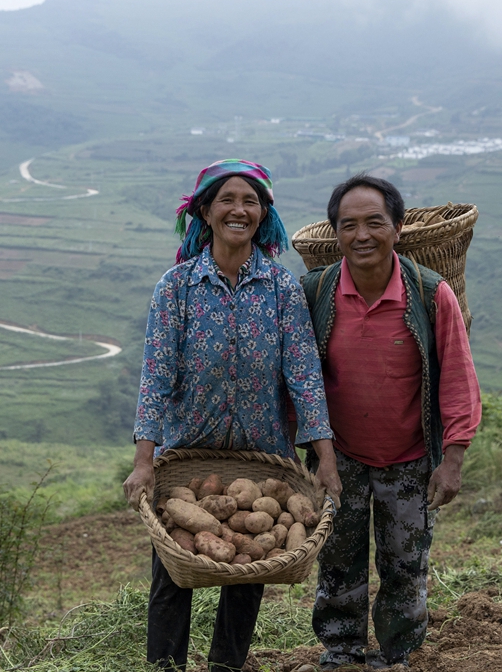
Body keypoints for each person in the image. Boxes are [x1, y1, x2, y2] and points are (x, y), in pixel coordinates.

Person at [123, 159, 343, 672]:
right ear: (204, 211)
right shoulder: (176, 287)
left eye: (250, 201)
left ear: (263, 213)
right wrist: (143, 460)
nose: (238, 210)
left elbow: (304, 377)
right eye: (227, 200)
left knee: (248, 574)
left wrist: (325, 460)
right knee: (173, 573)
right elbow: (155, 375)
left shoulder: (282, 289)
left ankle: (226, 664)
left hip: (262, 452)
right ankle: (164, 667)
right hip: (189, 454)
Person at [301, 173, 482, 670]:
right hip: (339, 459)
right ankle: (341, 650)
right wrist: (311, 457)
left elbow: (459, 380)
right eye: (349, 225)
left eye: (374, 222)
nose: (362, 235)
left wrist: (453, 459)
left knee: (405, 564)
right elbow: (297, 378)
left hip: (411, 461)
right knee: (337, 560)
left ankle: (398, 652)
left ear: (398, 228)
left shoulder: (429, 293)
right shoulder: (314, 292)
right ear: (335, 233)